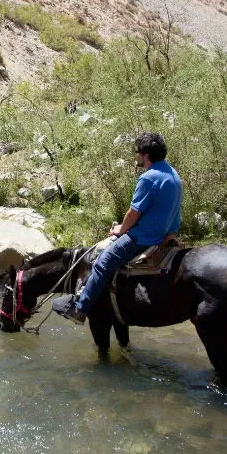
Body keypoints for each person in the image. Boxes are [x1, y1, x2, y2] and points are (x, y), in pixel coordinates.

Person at [52, 132, 183, 324]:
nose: (135, 155)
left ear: (145, 155)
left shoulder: (148, 178)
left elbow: (134, 213)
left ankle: (80, 309)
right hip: (166, 233)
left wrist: (120, 229)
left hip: (145, 237)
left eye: (137, 152)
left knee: (104, 261)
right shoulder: (173, 174)